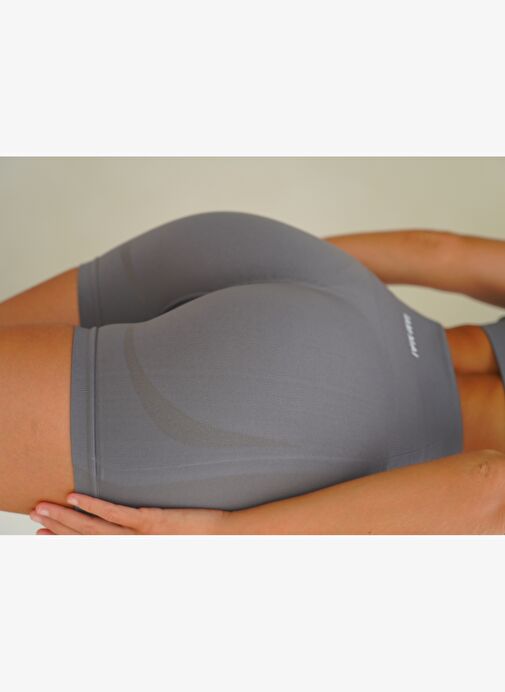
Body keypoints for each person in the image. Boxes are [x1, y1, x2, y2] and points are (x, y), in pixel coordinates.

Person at [1, 211, 504, 535]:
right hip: (315, 406)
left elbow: (439, 249)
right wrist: (223, 534)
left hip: (302, 270)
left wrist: (281, 304)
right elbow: (489, 488)